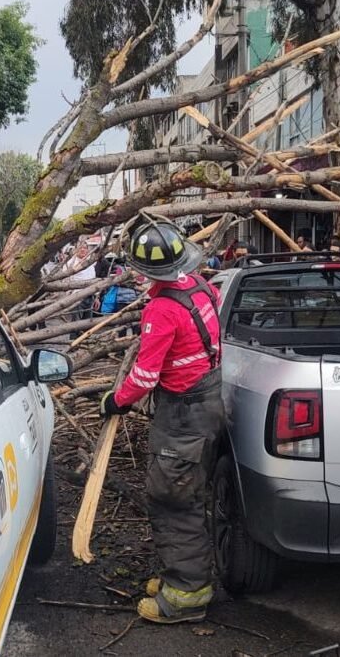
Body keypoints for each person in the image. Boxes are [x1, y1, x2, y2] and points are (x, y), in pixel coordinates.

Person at [99, 219, 225, 624]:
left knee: (172, 498)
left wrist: (115, 401)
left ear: (142, 270)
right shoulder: (204, 289)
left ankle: (187, 594)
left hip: (183, 415)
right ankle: (182, 577)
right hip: (208, 404)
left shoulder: (162, 309)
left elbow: (145, 377)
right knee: (190, 491)